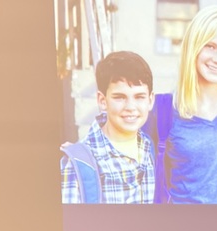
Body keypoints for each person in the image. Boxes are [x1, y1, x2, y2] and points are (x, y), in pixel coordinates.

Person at [145, 5, 217, 203]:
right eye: (210, 46)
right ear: (193, 47)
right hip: (187, 230)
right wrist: (80, 151)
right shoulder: (166, 110)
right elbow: (126, 141)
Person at [61, 51, 156, 204]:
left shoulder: (150, 148)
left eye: (139, 97)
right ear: (102, 100)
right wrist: (76, 154)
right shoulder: (77, 165)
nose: (131, 107)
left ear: (151, 100)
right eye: (119, 97)